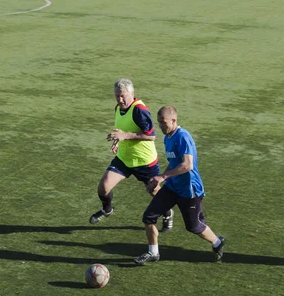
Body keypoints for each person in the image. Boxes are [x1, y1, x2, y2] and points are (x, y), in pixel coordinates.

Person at [133, 105, 225, 265]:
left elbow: (187, 165)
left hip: (189, 190)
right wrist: (159, 178)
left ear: (174, 120)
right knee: (149, 217)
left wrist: (163, 177)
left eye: (163, 122)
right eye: (159, 123)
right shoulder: (168, 137)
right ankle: (153, 252)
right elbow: (173, 162)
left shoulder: (183, 137)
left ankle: (217, 242)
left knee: (194, 226)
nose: (161, 126)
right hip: (173, 187)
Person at [90, 78, 173, 232]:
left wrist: (126, 136)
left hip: (144, 161)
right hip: (124, 158)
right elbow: (122, 129)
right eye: (117, 96)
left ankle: (167, 212)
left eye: (123, 96)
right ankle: (107, 210)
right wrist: (117, 140)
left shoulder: (139, 110)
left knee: (155, 192)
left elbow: (151, 135)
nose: (120, 100)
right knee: (103, 187)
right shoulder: (118, 108)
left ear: (132, 93)